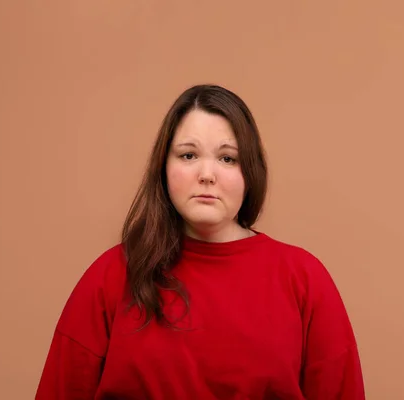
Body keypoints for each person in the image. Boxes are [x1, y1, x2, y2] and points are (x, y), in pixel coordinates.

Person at [35, 84, 365, 399]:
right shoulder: (110, 276)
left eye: (227, 158)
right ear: (164, 168)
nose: (207, 174)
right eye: (189, 155)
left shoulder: (304, 279)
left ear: (250, 172)